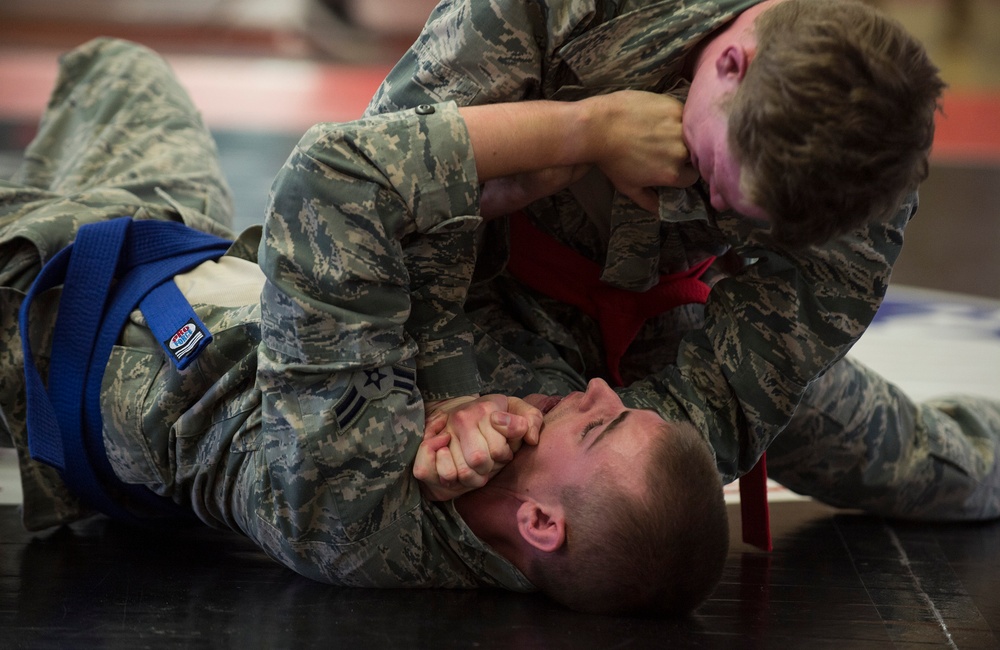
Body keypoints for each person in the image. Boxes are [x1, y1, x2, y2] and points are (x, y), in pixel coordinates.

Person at [0, 38, 729, 616]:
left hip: (44, 313)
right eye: (616, 407)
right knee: (118, 68)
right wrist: (448, 394)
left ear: (541, 526)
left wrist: (588, 129)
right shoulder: (510, 452)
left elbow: (331, 176)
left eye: (601, 426)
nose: (601, 390)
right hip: (177, 239)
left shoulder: (351, 497)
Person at [366, 0, 1000, 522]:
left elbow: (756, 371)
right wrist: (450, 395)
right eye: (709, 171)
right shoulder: (549, 11)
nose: (714, 200)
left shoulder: (870, 152)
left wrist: (630, 451)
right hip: (480, 303)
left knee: (941, 472)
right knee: (455, 498)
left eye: (747, 212)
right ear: (731, 63)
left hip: (678, 333)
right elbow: (380, 193)